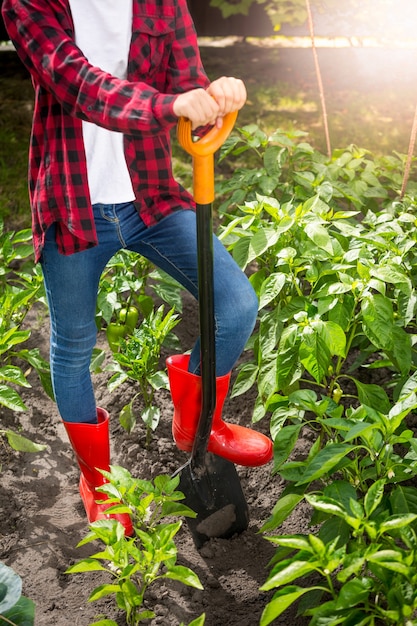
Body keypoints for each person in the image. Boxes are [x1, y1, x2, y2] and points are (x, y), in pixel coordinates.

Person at [2, 0, 273, 535]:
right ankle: (96, 480)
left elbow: (188, 85)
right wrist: (171, 106)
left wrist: (215, 98)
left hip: (149, 195)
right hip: (73, 203)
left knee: (236, 305)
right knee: (75, 342)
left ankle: (198, 422)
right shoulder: (29, 4)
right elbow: (76, 83)